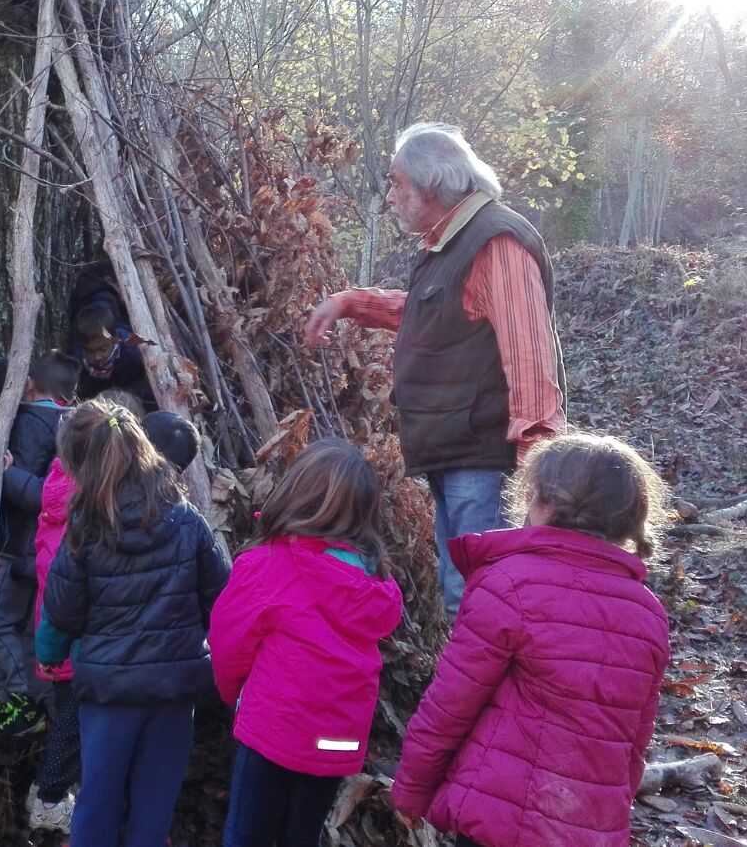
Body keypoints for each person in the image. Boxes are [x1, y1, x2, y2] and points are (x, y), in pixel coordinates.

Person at [303, 122, 566, 620]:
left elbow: (530, 358)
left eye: (397, 183)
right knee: (464, 596)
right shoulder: (452, 241)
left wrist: (539, 472)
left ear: (432, 185)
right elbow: (433, 311)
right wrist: (351, 302)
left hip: (485, 459)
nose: (390, 197)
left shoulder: (496, 241)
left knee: (486, 600)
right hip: (455, 450)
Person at [390, 432, 671, 847]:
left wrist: (412, 790)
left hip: (496, 821)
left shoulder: (508, 585)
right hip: (586, 827)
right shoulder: (648, 611)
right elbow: (635, 738)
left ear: (542, 501)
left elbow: (449, 707)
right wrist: (612, 811)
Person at [35, 399, 231, 847]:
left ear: (81, 465)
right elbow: (220, 598)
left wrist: (49, 655)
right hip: (173, 690)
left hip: (109, 693)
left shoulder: (85, 528)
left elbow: (62, 609)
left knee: (98, 801)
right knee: (155, 803)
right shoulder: (186, 519)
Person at [208, 439, 404, 847]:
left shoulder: (267, 564)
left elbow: (228, 643)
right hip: (337, 742)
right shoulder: (374, 580)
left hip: (274, 730)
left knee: (246, 834)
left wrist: (234, 696)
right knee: (301, 835)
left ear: (295, 493)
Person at [0, 350, 81, 734]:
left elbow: (40, 493)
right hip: (44, 549)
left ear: (28, 385)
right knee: (26, 628)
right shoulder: (73, 428)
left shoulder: (29, 422)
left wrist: (6, 474)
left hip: (17, 545)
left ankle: (18, 697)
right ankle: (40, 700)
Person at [69, 260, 154, 408]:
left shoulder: (131, 353)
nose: (97, 357)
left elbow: (143, 383)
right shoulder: (78, 358)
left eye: (102, 349)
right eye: (90, 352)